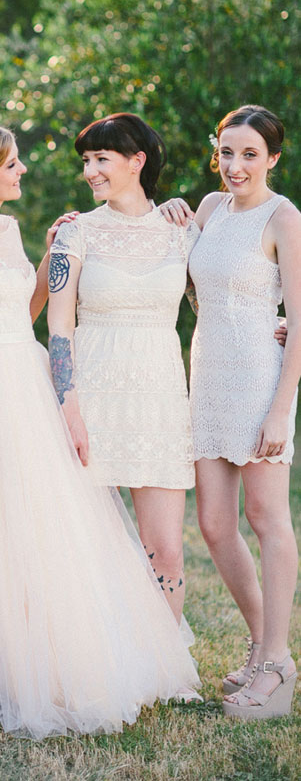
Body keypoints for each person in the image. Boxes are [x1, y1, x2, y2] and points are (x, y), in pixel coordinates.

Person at [0, 120, 200, 739]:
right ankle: (8, 651)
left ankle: (139, 655)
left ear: (137, 161)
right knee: (16, 531)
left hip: (36, 375)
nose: (25, 170)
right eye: (12, 164)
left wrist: (45, 256)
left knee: (69, 533)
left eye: (99, 159)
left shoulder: (13, 229)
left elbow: (24, 310)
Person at [46, 114, 198, 650]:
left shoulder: (183, 230)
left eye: (101, 159)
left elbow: (215, 305)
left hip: (159, 401)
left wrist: (279, 325)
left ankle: (165, 661)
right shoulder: (76, 232)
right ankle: (91, 655)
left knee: (167, 549)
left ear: (137, 161)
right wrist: (68, 406)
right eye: (86, 161)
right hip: (90, 400)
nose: (90, 171)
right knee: (85, 545)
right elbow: (58, 328)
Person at [185, 105, 299, 719]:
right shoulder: (209, 208)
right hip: (208, 377)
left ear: (272, 158)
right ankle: (261, 645)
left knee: (265, 516)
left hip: (259, 379)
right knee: (212, 522)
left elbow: (300, 323)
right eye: (227, 152)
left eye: (249, 154)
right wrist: (172, 214)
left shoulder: (284, 218)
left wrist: (280, 411)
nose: (235, 165)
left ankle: (278, 663)